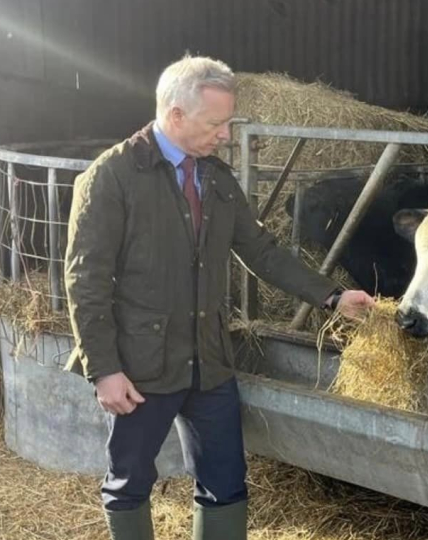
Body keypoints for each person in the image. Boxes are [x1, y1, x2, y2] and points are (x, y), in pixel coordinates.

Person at [63, 54, 375, 540]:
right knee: (129, 483)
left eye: (228, 122)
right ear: (176, 115)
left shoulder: (216, 178)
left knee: (226, 484)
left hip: (209, 360)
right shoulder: (113, 177)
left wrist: (332, 297)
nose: (226, 134)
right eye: (217, 123)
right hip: (142, 364)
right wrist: (103, 368)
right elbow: (86, 280)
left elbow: (263, 251)